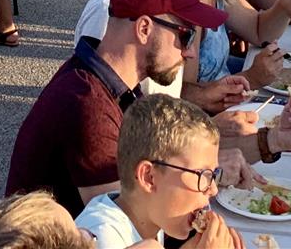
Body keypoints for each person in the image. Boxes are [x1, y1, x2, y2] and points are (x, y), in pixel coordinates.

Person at [9, 0, 291, 217]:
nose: (190, 52)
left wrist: (275, 140)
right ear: (144, 28)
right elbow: (129, 218)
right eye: (185, 36)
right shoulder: (87, 104)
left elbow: (168, 164)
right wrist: (209, 173)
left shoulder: (112, 80)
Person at [75, 94, 246, 249]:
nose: (213, 189)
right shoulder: (102, 238)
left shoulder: (151, 214)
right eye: (202, 175)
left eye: (213, 174)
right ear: (149, 177)